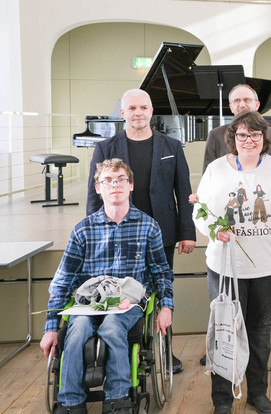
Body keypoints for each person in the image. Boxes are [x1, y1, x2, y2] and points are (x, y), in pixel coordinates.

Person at [42, 159, 174, 414]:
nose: (115, 185)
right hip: (89, 304)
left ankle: (118, 398)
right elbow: (62, 280)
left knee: (113, 326)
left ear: (131, 185)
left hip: (129, 303)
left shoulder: (148, 226)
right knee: (76, 330)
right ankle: (70, 402)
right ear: (98, 188)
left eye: (121, 179)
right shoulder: (83, 230)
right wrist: (50, 327)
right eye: (108, 181)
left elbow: (162, 272)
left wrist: (167, 306)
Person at [194, 110, 271, 414]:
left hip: (267, 268)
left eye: (255, 134)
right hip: (224, 268)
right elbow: (198, 210)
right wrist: (215, 230)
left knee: (259, 331)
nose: (249, 140)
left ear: (263, 138)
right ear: (233, 138)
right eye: (242, 134)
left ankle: (257, 391)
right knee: (224, 331)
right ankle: (223, 399)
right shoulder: (216, 169)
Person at [87, 88, 194, 373]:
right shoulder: (105, 148)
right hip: (117, 233)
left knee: (162, 290)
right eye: (132, 108)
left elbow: (183, 191)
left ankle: (164, 352)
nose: (138, 113)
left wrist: (188, 231)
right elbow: (93, 195)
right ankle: (119, 352)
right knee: (118, 292)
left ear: (151, 111)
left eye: (143, 108)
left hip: (162, 232)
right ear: (122, 113)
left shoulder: (171, 146)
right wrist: (92, 233)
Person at [202, 83, 271, 172]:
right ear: (231, 107)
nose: (242, 105)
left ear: (257, 105)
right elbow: (208, 176)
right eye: (236, 101)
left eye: (247, 100)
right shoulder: (215, 135)